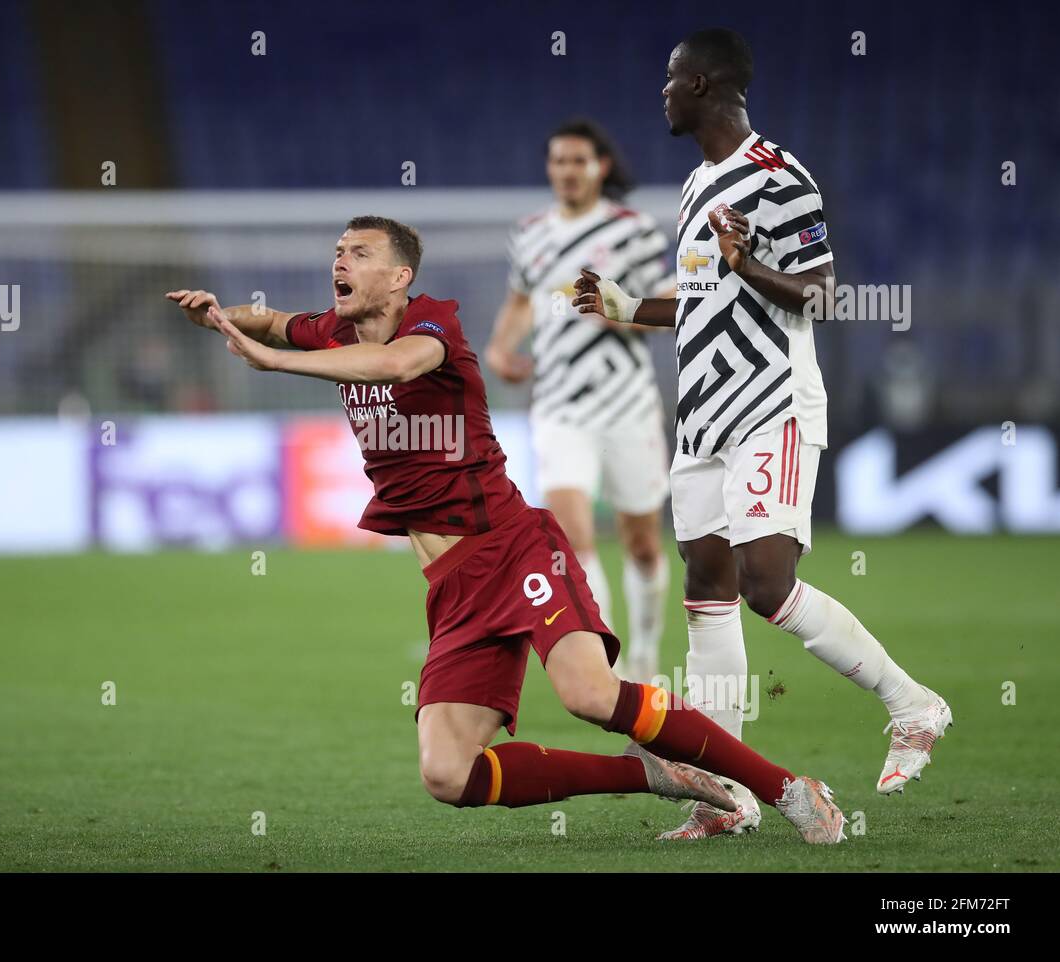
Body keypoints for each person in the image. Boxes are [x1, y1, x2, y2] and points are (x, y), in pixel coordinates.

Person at [167, 214, 845, 843]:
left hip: (513, 546)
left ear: (400, 277)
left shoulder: (433, 325)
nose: (339, 260)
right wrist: (222, 319)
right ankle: (650, 772)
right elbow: (279, 321)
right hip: (452, 587)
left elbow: (396, 364)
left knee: (589, 694)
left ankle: (786, 787)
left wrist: (278, 362)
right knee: (447, 774)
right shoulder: (333, 332)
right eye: (337, 252)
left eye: (358, 252)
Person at [574, 29, 950, 840]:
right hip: (702, 410)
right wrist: (625, 306)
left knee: (766, 585)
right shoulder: (695, 185)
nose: (662, 93)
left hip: (769, 402)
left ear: (704, 85)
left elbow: (820, 293)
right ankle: (729, 795)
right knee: (708, 586)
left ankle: (912, 703)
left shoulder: (782, 179)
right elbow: (703, 300)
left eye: (671, 80)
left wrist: (747, 266)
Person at [485, 118, 672, 683]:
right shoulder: (530, 233)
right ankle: (609, 671)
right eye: (558, 161)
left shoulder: (634, 231)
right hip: (560, 406)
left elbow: (664, 310)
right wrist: (499, 349)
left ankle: (644, 652)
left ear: (601, 167)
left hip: (627, 403)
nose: (567, 171)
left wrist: (616, 311)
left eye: (578, 161)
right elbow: (521, 301)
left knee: (641, 542)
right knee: (571, 535)